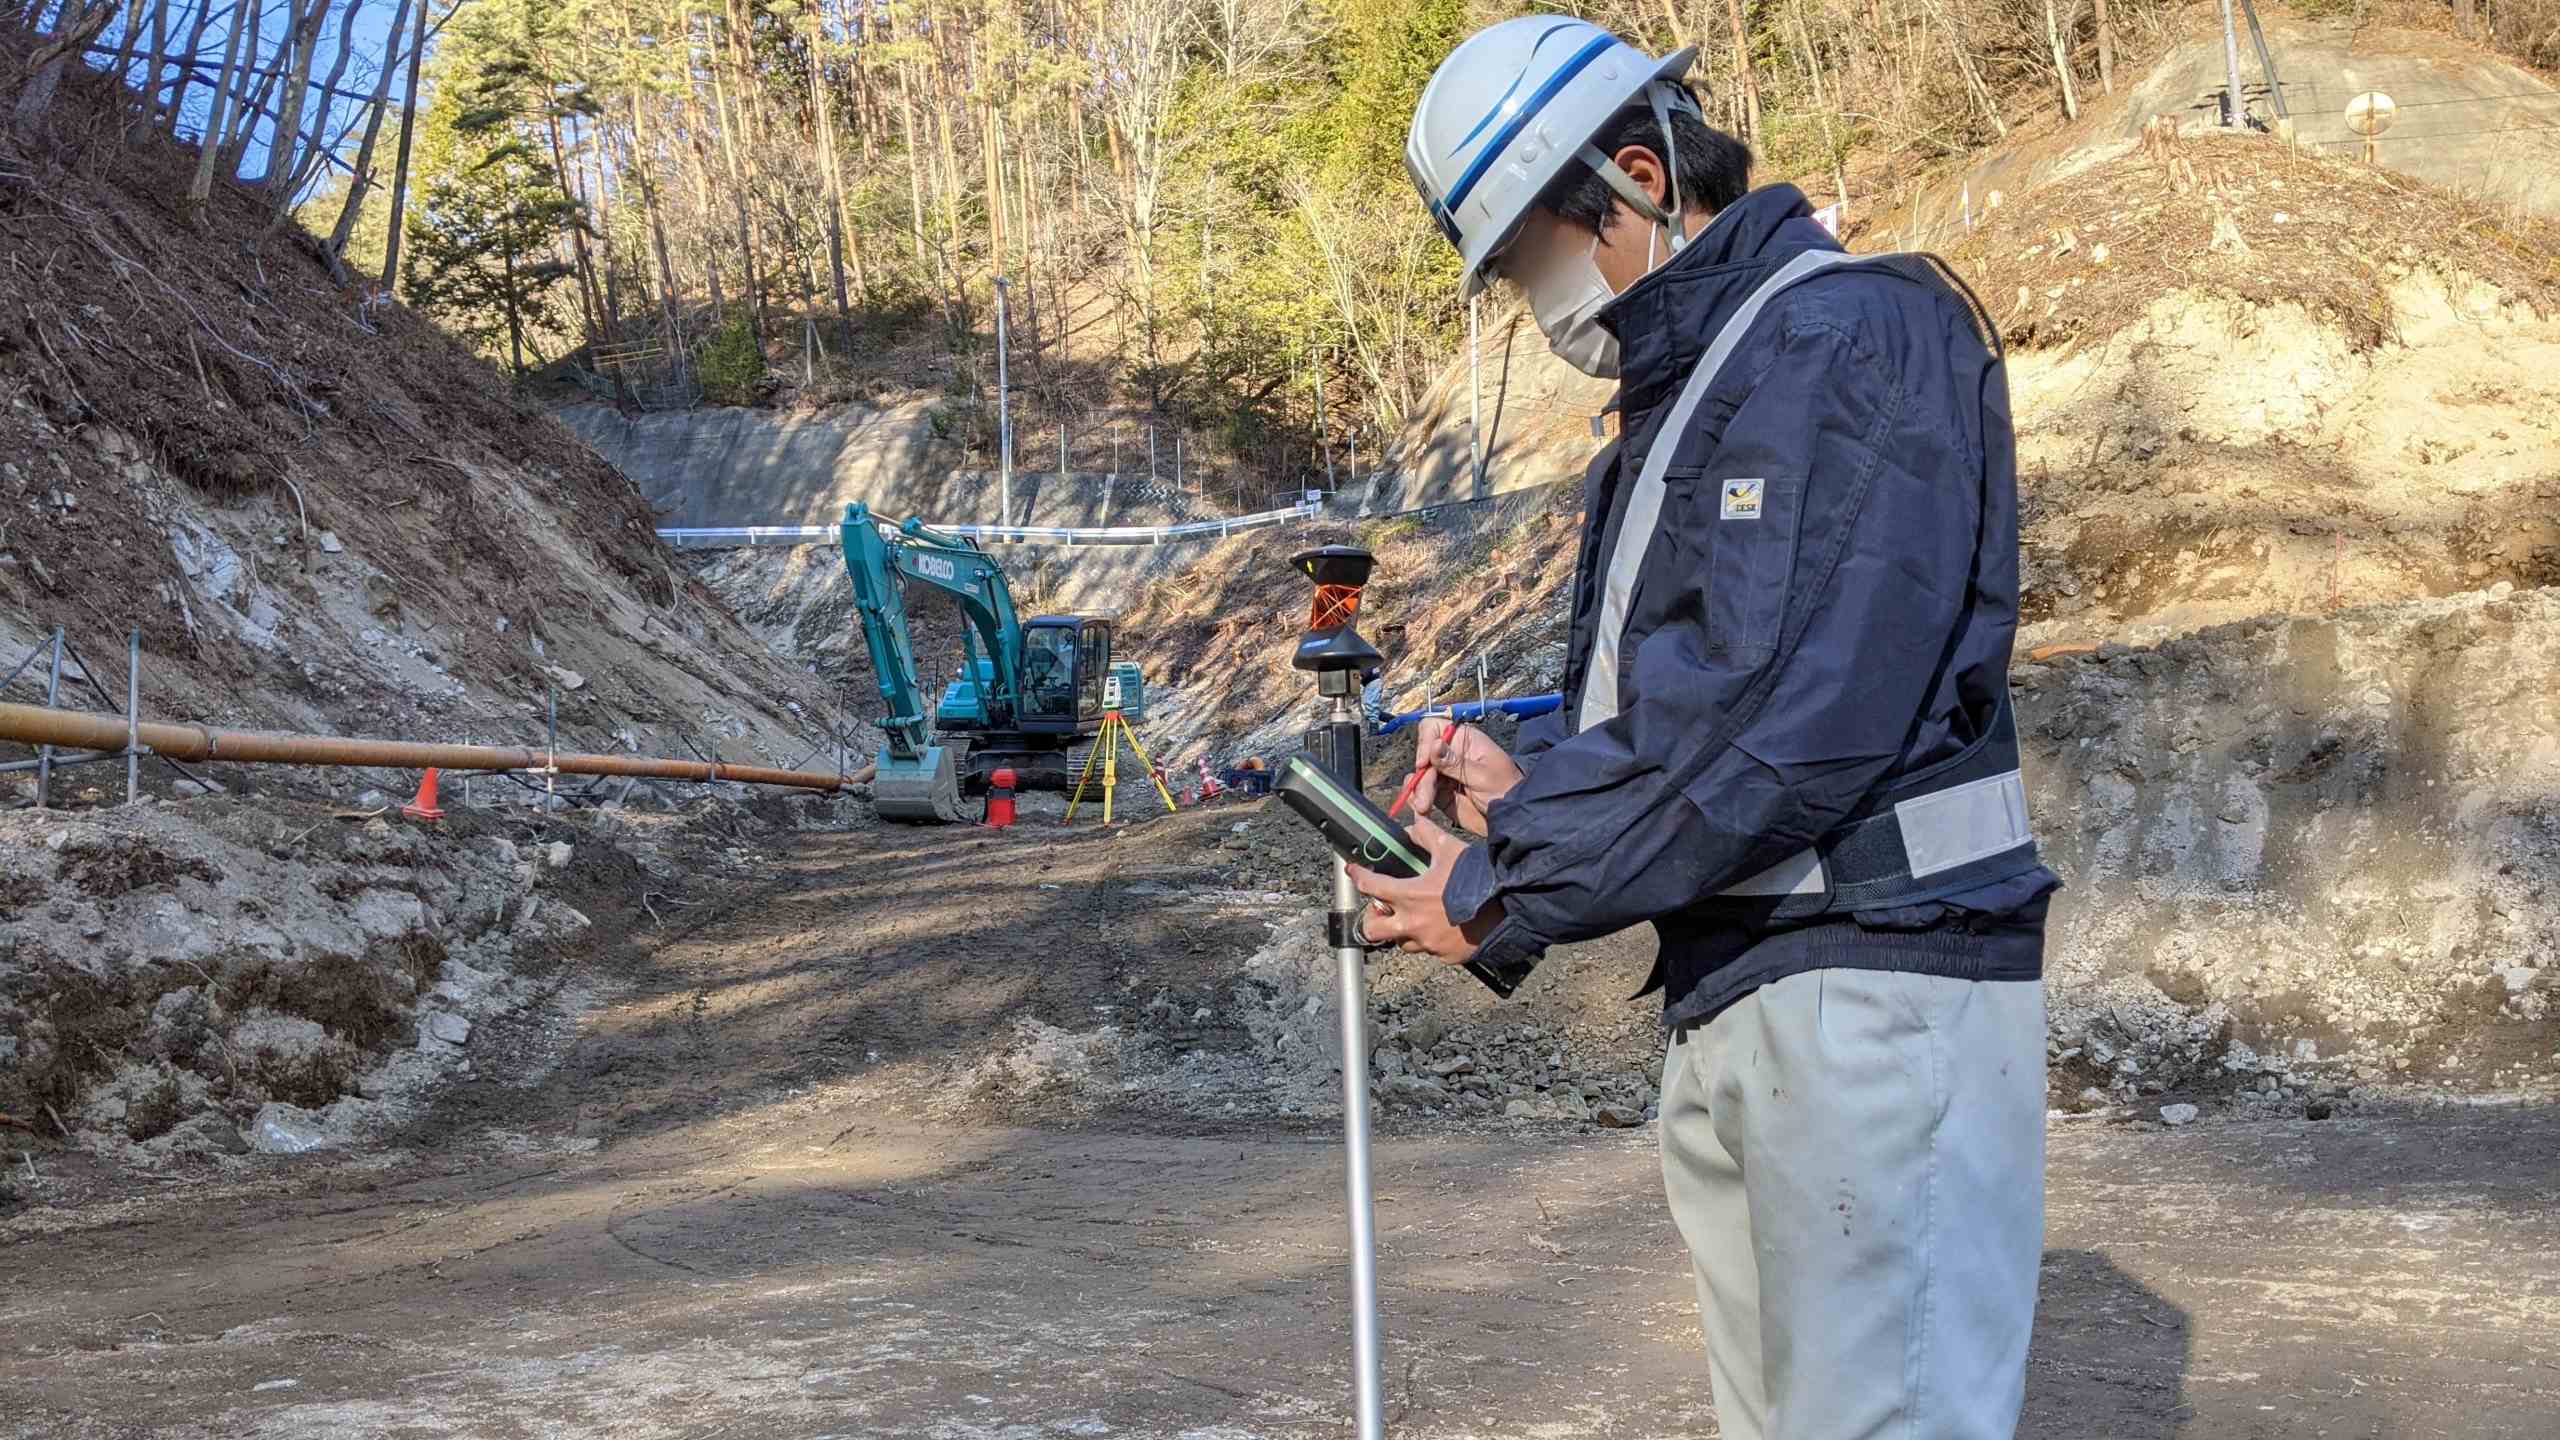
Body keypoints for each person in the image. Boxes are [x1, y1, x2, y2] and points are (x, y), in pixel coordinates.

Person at [1350, 17, 2060, 1440]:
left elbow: (1787, 719)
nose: (1539, 308)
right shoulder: (1709, 382)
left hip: (1872, 987)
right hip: (1753, 986)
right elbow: (1701, 698)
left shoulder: (1849, 335)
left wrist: (1506, 886)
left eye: (1538, 263)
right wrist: (1534, 780)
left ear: (1638, 174)